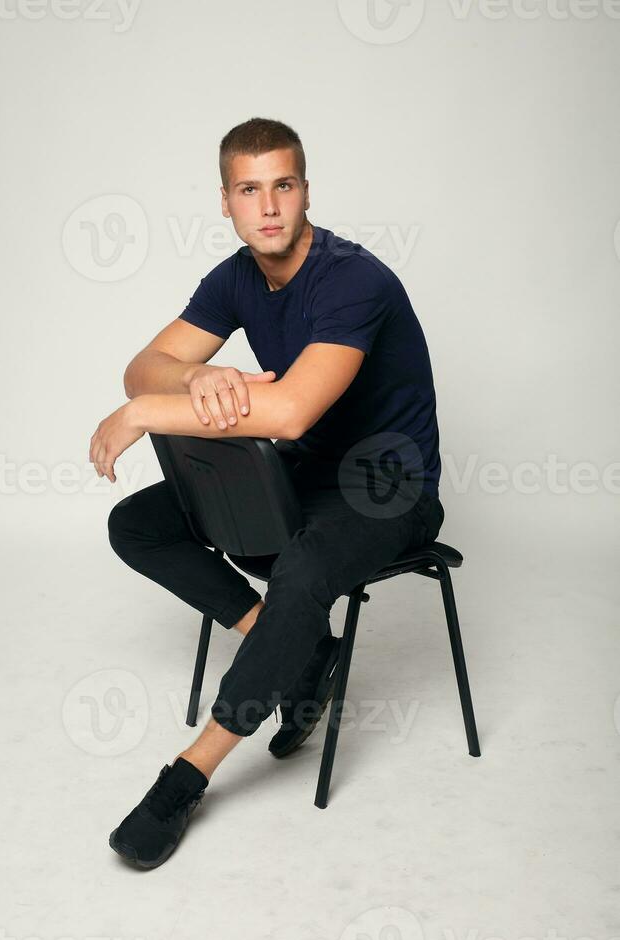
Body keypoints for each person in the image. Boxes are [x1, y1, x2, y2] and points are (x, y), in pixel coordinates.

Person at [89, 117, 445, 870]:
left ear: (305, 190)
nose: (270, 206)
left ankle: (189, 774)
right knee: (141, 523)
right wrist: (195, 376)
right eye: (250, 190)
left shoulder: (356, 279)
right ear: (227, 202)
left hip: (392, 489)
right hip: (310, 474)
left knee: (305, 568)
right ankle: (302, 648)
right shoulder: (235, 279)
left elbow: (288, 412)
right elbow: (144, 364)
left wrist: (150, 410)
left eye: (283, 184)